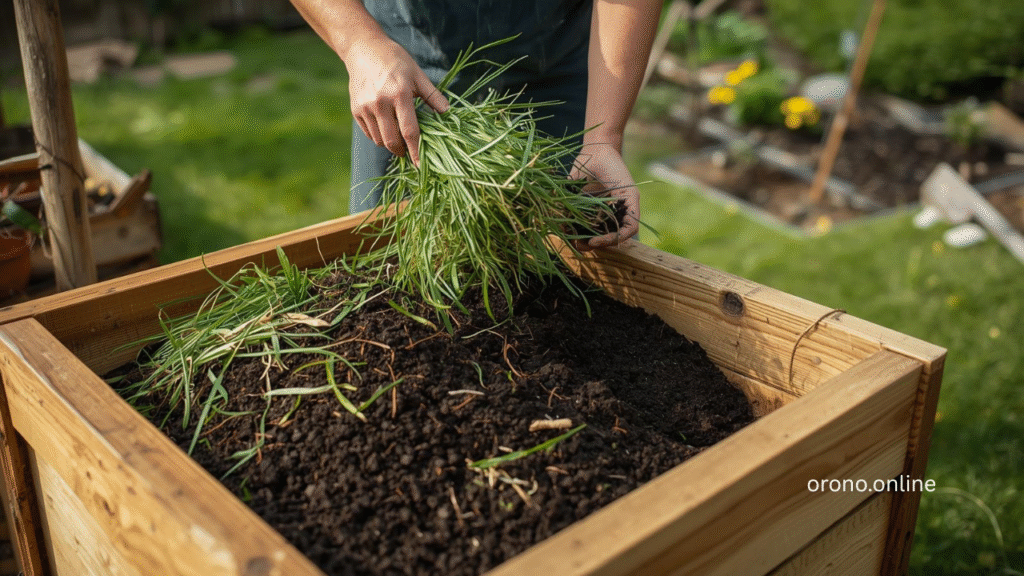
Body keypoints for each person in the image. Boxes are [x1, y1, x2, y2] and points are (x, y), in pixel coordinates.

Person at [290, 0, 662, 249]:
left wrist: (602, 136)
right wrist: (359, 43)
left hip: (560, 67)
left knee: (585, 284)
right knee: (389, 270)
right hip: (407, 75)